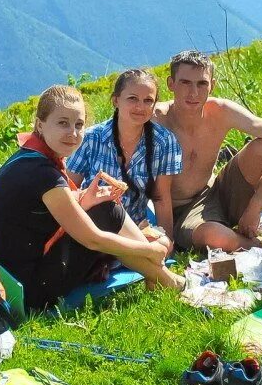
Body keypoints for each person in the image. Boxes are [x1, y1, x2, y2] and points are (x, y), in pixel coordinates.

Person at [0, 85, 182, 311]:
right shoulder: (42, 173)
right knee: (106, 213)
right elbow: (93, 239)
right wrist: (149, 251)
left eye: (79, 125)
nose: (73, 133)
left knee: (102, 206)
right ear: (40, 124)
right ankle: (166, 279)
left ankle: (157, 276)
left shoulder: (29, 158)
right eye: (62, 123)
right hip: (29, 293)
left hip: (9, 281)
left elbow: (39, 218)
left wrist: (84, 200)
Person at [153, 50, 262, 253]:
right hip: (182, 211)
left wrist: (256, 205)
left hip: (218, 189)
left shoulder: (220, 111)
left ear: (212, 85)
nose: (193, 93)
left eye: (201, 84)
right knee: (213, 235)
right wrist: (167, 241)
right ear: (171, 84)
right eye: (185, 83)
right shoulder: (156, 120)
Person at [67, 69, 182, 252]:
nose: (140, 107)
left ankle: (138, 253)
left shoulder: (164, 142)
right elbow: (69, 190)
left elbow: (161, 198)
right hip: (93, 226)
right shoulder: (90, 139)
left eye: (148, 101)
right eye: (132, 99)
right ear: (116, 101)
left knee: (162, 245)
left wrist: (168, 240)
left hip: (135, 230)